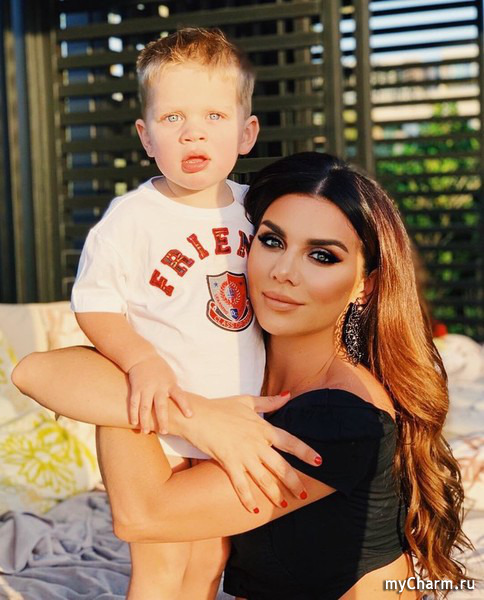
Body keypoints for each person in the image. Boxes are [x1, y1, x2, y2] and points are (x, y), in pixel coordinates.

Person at [13, 152, 470, 599]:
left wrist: (142, 396)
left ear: (364, 285)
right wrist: (196, 417)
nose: (284, 272)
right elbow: (36, 372)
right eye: (272, 241)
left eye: (322, 256)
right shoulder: (231, 368)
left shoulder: (343, 415)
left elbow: (143, 515)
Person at [51, 27, 320, 600]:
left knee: (210, 560)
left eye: (214, 116)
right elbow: (96, 306)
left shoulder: (258, 213)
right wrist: (140, 361)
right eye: (172, 117)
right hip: (159, 423)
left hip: (237, 423)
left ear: (246, 132)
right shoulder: (131, 218)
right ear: (146, 136)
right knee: (162, 562)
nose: (193, 131)